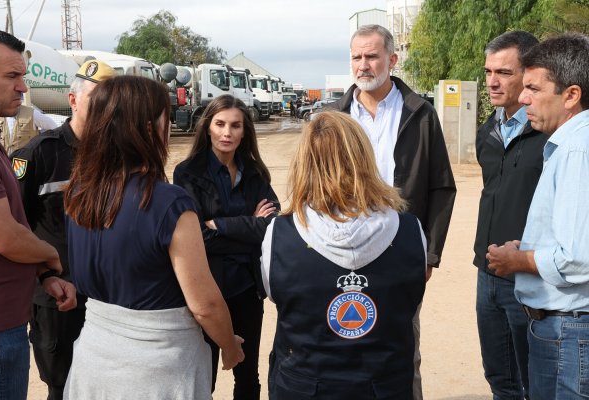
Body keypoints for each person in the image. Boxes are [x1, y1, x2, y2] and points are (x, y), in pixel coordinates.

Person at [62, 76, 244, 399]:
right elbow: (205, 304)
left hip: (94, 359)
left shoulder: (79, 193)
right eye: (166, 119)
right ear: (148, 129)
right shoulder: (168, 203)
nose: (170, 127)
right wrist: (229, 346)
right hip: (157, 370)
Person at [328, 23, 456, 399]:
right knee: (342, 342)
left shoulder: (420, 114)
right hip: (340, 251)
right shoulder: (334, 118)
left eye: (372, 56)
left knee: (400, 346)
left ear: (392, 59)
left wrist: (429, 253)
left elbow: (441, 187)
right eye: (356, 57)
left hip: (400, 252)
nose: (363, 65)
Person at [261, 111, 426, 399]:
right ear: (364, 158)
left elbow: (278, 295)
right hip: (385, 387)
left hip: (304, 386)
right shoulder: (411, 231)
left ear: (304, 162)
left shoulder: (279, 234)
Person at [486, 32, 589, 400]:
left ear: (571, 95)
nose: (523, 97)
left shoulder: (577, 150)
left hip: (569, 331)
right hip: (561, 330)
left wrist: (520, 258)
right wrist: (528, 246)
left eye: (533, 88)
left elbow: (578, 259)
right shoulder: (567, 144)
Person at [10, 59, 116, 400]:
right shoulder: (41, 154)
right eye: (97, 99)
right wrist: (43, 275)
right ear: (72, 101)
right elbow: (16, 224)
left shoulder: (118, 155)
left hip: (107, 294)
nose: (105, 108)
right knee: (63, 386)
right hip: (58, 297)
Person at [0, 28, 76, 400]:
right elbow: (5, 235)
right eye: (12, 76)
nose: (23, 88)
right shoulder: (38, 149)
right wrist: (50, 257)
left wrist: (42, 274)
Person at [174, 94, 278, 400]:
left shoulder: (256, 172)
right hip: (206, 290)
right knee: (202, 379)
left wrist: (219, 224)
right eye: (220, 124)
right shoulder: (187, 173)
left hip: (246, 289)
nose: (227, 132)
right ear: (207, 128)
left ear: (245, 131)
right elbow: (195, 240)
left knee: (248, 376)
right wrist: (248, 224)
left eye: (235, 125)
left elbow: (271, 226)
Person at [473, 31, 544, 400]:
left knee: (535, 381)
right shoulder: (488, 131)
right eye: (488, 72)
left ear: (529, 72)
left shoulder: (550, 134)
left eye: (503, 71)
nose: (492, 82)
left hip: (528, 276)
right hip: (487, 275)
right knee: (499, 379)